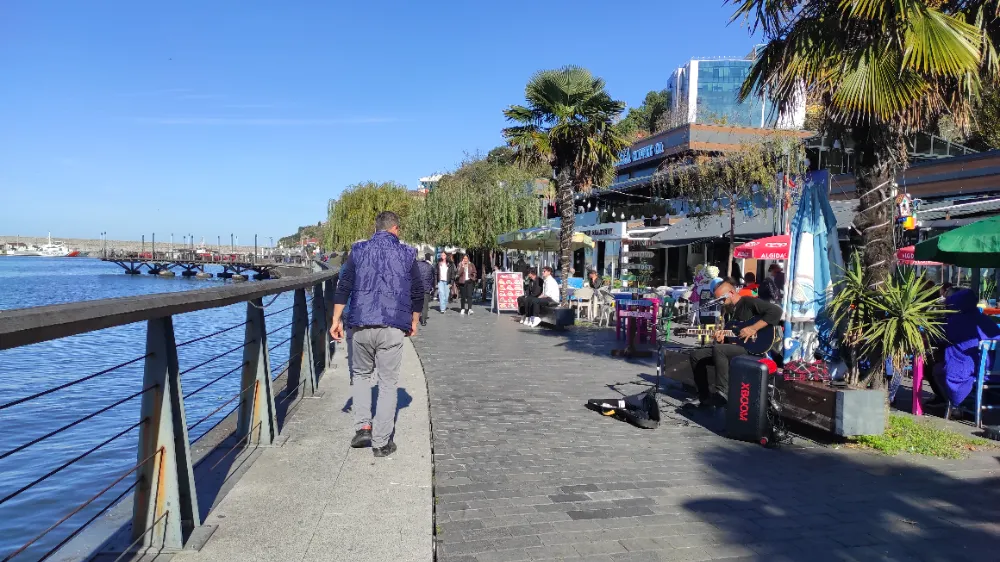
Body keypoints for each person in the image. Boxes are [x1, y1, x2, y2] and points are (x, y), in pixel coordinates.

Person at [330, 211, 424, 458]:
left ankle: (362, 428)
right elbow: (418, 290)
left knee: (360, 375)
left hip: (360, 323)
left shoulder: (358, 251)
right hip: (392, 325)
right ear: (395, 229)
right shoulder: (407, 253)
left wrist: (335, 319)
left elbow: (345, 285)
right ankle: (382, 443)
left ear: (376, 229)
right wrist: (414, 320)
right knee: (388, 382)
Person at [687, 279, 783, 408]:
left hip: (752, 349)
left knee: (719, 350)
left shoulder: (748, 302)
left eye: (722, 299)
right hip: (734, 348)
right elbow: (730, 337)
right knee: (696, 355)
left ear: (731, 293)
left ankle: (722, 393)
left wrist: (753, 328)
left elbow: (776, 311)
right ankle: (704, 397)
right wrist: (721, 339)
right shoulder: (728, 311)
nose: (720, 303)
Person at [928, 289, 1000, 408]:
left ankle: (956, 405)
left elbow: (937, 338)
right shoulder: (986, 320)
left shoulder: (955, 321)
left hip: (971, 369)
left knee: (937, 368)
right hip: (993, 369)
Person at [416, 253, 436, 326]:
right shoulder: (429, 266)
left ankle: (415, 319)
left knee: (416, 304)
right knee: (425, 305)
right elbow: (432, 278)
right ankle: (423, 320)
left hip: (417, 288)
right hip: (426, 288)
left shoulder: (414, 265)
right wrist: (431, 287)